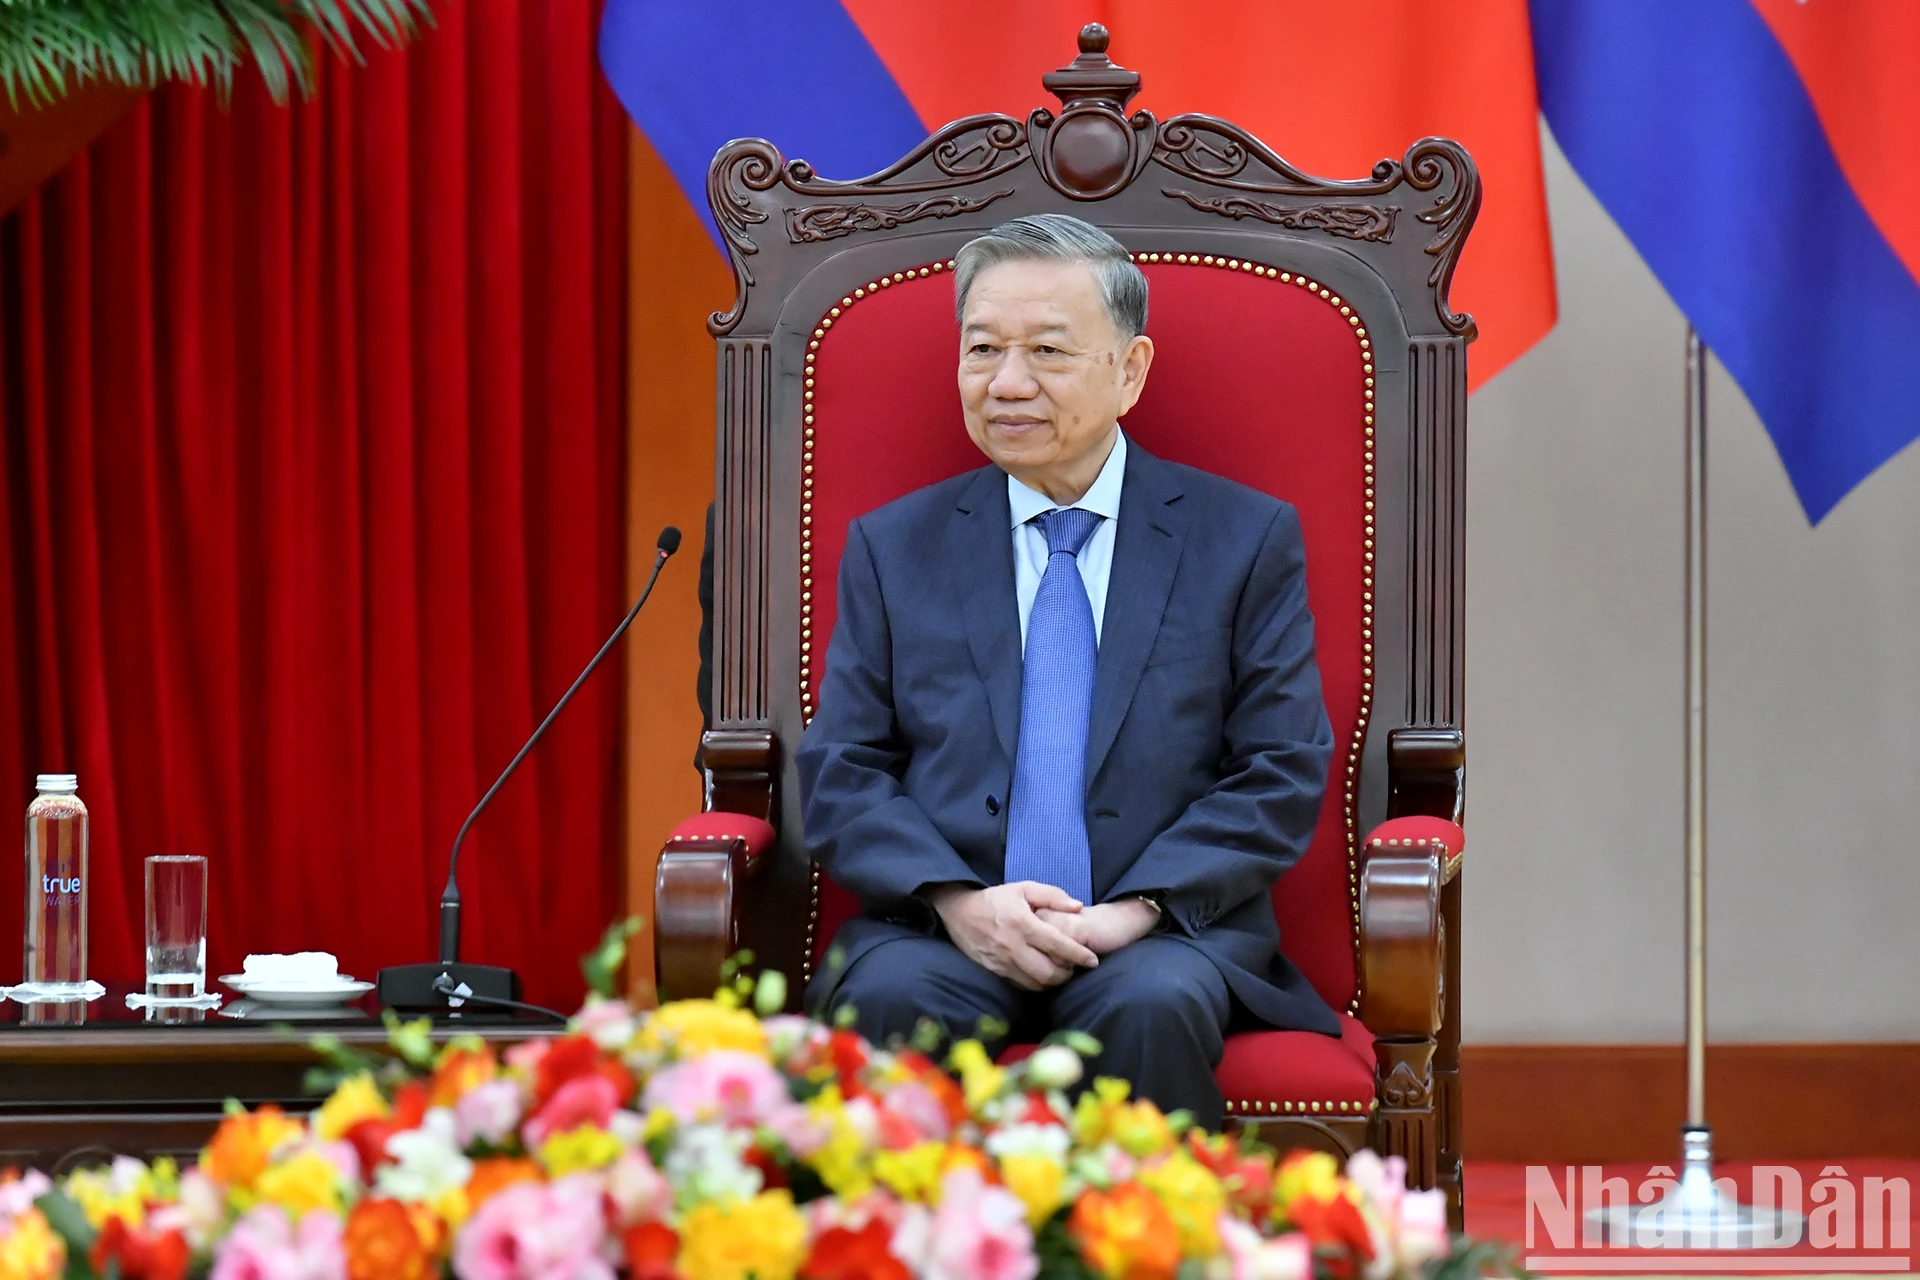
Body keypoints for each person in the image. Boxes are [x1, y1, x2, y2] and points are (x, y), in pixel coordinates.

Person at [797, 213, 1337, 1128]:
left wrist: (1135, 911)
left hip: (1160, 934)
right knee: (884, 1003)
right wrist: (961, 902)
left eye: (1047, 350)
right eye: (982, 349)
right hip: (947, 927)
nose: (1007, 383)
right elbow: (843, 771)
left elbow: (1280, 767)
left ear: (1130, 370)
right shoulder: (896, 548)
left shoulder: (1240, 540)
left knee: (1149, 1007)